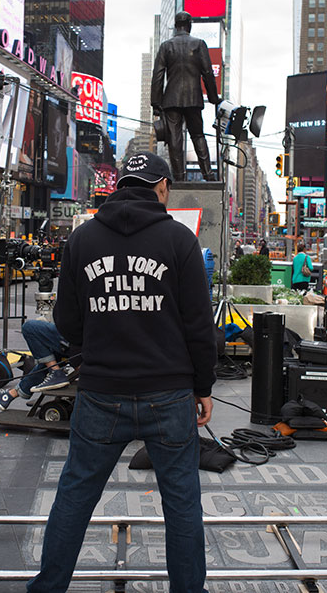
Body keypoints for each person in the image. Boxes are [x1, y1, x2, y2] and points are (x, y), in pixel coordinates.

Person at [29, 151, 216, 592]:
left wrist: (97, 343)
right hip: (169, 392)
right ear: (163, 187)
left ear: (121, 185)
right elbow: (199, 325)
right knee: (182, 503)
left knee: (75, 496)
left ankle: (48, 587)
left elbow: (67, 322)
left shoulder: (83, 239)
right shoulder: (180, 240)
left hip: (101, 391)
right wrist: (203, 385)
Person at [151, 11, 221, 181]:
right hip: (193, 99)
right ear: (189, 24)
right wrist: (213, 98)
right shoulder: (199, 44)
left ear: (176, 26)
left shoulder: (166, 46)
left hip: (171, 100)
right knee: (198, 135)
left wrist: (156, 102)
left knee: (175, 139)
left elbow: (157, 75)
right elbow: (208, 73)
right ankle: (208, 174)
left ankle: (179, 177)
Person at [0, 319, 76, 410]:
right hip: (84, 343)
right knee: (50, 359)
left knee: (29, 327)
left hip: (79, 343)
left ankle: (56, 372)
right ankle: (9, 395)